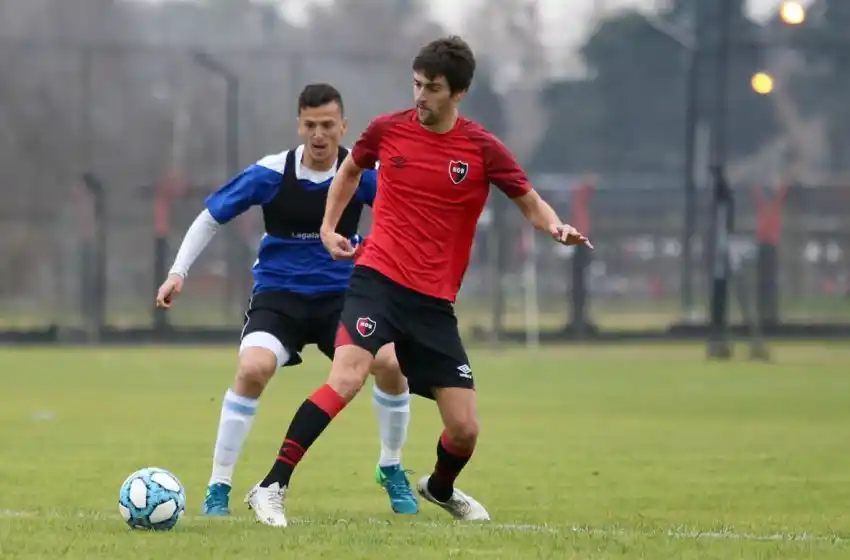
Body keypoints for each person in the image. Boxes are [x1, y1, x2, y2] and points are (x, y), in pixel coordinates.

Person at [247, 37, 591, 527]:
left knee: (465, 429)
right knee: (345, 378)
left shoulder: (481, 148)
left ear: (459, 93)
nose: (420, 97)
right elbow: (348, 173)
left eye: (432, 89)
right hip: (377, 281)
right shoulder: (387, 130)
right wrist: (328, 227)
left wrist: (555, 226)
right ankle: (271, 486)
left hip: (432, 304)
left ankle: (439, 487)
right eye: (416, 85)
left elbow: (529, 201)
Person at [155, 83, 418, 519]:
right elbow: (210, 216)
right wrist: (177, 274)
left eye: (328, 125)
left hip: (344, 298)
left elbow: (402, 222)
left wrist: (376, 253)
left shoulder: (362, 173)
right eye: (310, 125)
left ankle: (391, 467)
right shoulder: (272, 173)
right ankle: (218, 487)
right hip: (280, 298)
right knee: (252, 369)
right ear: (299, 125)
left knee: (390, 363)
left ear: (343, 126)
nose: (319, 134)